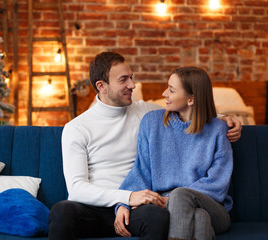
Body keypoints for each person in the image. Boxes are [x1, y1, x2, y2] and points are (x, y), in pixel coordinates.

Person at [48, 52, 241, 240]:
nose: (132, 85)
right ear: (102, 86)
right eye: (123, 80)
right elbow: (76, 189)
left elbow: (189, 113)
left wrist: (224, 121)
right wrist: (126, 198)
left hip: (138, 208)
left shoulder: (145, 112)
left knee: (159, 217)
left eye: (131, 78)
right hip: (97, 207)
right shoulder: (77, 128)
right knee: (61, 211)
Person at [114, 67, 233, 240]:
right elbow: (141, 171)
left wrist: (171, 199)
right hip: (168, 210)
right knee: (200, 218)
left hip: (214, 208)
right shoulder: (152, 123)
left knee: (181, 195)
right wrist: (123, 202)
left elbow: (217, 183)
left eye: (171, 90)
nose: (164, 93)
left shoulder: (218, 130)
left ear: (191, 99)